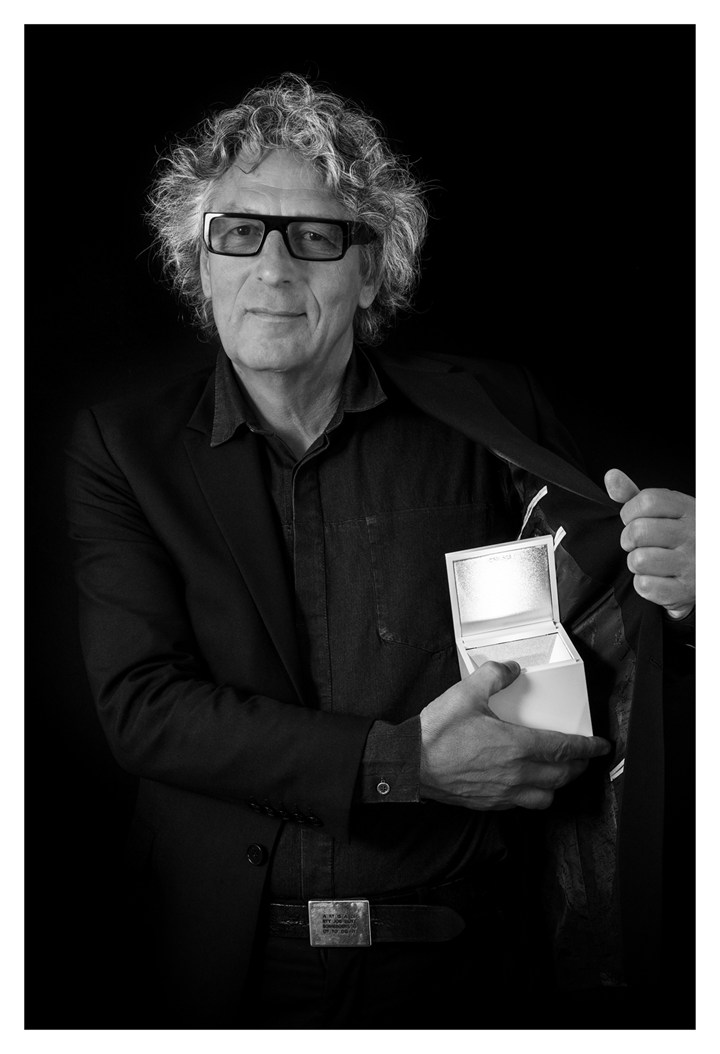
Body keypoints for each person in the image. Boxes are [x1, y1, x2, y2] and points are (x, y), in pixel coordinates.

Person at [65, 73, 695, 1028]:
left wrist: (687, 596)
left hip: (477, 961)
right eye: (239, 233)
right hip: (223, 971)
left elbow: (614, 623)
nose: (274, 272)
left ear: (371, 270)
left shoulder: (491, 416)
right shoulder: (122, 448)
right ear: (199, 265)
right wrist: (401, 764)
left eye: (316, 238)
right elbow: (143, 708)